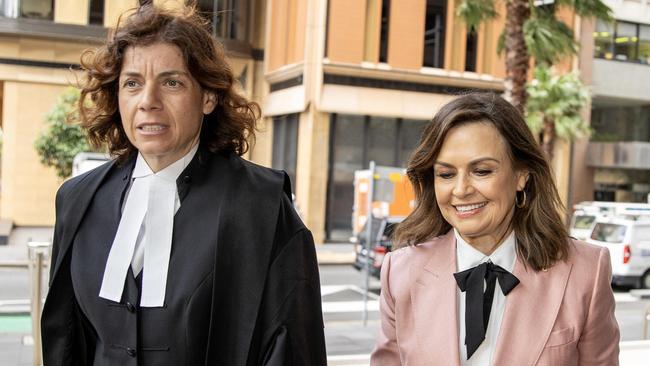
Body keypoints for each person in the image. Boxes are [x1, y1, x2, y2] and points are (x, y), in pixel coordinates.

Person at [41, 4, 326, 365]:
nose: (148, 102)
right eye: (132, 84)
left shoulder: (263, 207)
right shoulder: (77, 199)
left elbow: (293, 351)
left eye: (171, 82)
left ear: (208, 97)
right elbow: (65, 341)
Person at [370, 93, 619, 365]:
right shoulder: (400, 272)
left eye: (482, 171)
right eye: (446, 174)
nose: (461, 190)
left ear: (521, 175)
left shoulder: (587, 272)